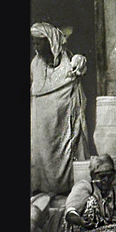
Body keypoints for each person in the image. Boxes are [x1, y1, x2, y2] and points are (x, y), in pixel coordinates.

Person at [31, 22, 89, 196]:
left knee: (65, 153)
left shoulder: (70, 63)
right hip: (42, 125)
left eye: (38, 42)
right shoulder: (36, 64)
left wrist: (79, 63)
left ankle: (68, 191)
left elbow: (80, 67)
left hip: (62, 122)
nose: (36, 47)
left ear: (50, 42)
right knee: (42, 157)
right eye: (34, 43)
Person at [31, 154, 116, 232]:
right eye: (102, 176)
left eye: (110, 176)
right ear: (93, 175)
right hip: (64, 231)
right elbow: (70, 212)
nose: (106, 180)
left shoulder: (114, 192)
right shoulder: (84, 187)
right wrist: (80, 221)